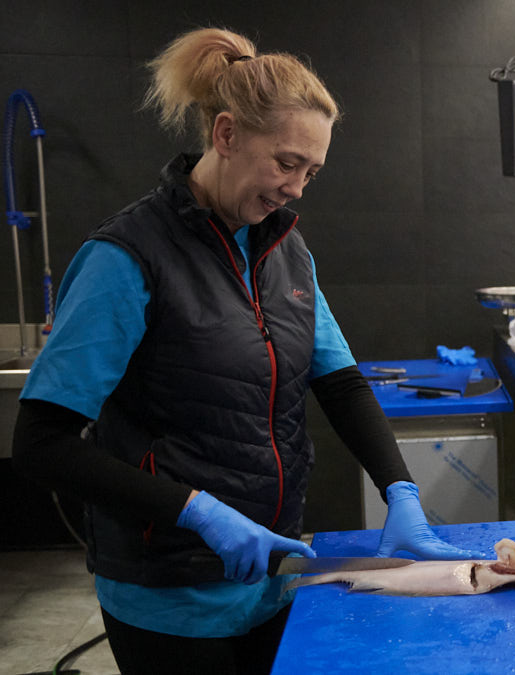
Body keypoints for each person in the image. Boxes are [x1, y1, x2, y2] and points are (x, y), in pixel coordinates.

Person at [12, 27, 478, 675]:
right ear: (226, 135)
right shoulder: (127, 257)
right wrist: (196, 510)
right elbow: (43, 443)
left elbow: (339, 382)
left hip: (271, 575)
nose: (297, 188)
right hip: (169, 591)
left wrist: (399, 487)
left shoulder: (283, 247)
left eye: (311, 171)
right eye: (286, 163)